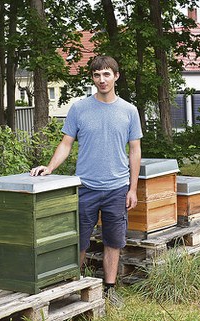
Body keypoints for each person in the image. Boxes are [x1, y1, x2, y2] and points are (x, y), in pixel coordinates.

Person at [30, 55, 142, 305]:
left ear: (116, 76)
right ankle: (73, 288)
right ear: (92, 78)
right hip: (85, 188)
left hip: (116, 188)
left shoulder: (129, 111)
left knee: (113, 242)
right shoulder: (79, 109)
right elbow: (65, 144)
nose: (101, 80)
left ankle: (110, 290)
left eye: (106, 74)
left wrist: (132, 188)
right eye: (96, 75)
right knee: (78, 241)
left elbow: (135, 150)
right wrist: (49, 167)